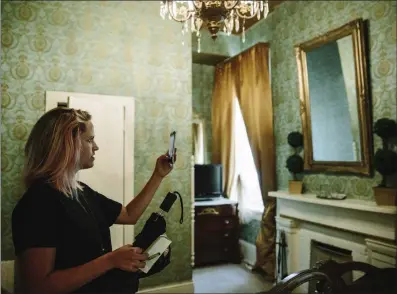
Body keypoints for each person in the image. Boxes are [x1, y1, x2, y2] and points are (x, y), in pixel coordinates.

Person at [11, 107, 176, 294]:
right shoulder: (38, 203)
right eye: (89, 140)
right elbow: (38, 288)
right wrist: (110, 260)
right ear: (67, 144)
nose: (96, 146)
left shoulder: (81, 191)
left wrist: (158, 175)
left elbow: (129, 215)